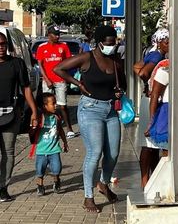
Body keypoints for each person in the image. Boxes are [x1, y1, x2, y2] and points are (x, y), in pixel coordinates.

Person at [54, 25, 126, 213]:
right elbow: (58, 68)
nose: (113, 46)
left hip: (110, 110)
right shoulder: (87, 58)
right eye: (109, 43)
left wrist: (119, 92)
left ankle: (103, 184)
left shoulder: (116, 60)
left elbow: (123, 83)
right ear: (100, 43)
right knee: (95, 152)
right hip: (90, 109)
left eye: (115, 43)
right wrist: (78, 84)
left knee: (113, 154)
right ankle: (88, 197)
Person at [0, 32, 38, 202]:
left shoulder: (17, 63)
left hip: (11, 114)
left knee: (8, 152)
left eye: (2, 44)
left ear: (7, 46)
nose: (0, 48)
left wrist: (34, 111)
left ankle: (3, 187)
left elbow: (26, 88)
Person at [134, 28, 169, 188]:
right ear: (160, 43)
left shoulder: (152, 53)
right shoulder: (157, 55)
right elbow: (142, 72)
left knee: (152, 145)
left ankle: (150, 178)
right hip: (152, 101)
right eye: (166, 42)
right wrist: (149, 80)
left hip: (149, 99)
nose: (169, 45)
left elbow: (136, 66)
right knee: (148, 145)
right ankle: (145, 181)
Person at [35, 25, 75, 138]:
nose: (57, 36)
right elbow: (40, 65)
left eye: (58, 34)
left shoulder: (64, 46)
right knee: (47, 105)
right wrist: (46, 79)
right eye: (55, 34)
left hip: (60, 80)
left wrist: (67, 77)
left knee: (62, 105)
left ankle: (69, 129)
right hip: (47, 80)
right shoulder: (42, 47)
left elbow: (68, 62)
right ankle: (48, 127)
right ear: (49, 35)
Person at [32, 93, 68, 196]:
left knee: (57, 169)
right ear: (45, 106)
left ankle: (56, 181)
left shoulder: (56, 117)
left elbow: (60, 130)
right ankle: (40, 185)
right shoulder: (40, 118)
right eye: (53, 103)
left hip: (54, 150)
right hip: (41, 151)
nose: (55, 105)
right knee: (40, 170)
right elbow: (32, 130)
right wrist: (34, 125)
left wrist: (65, 142)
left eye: (56, 103)